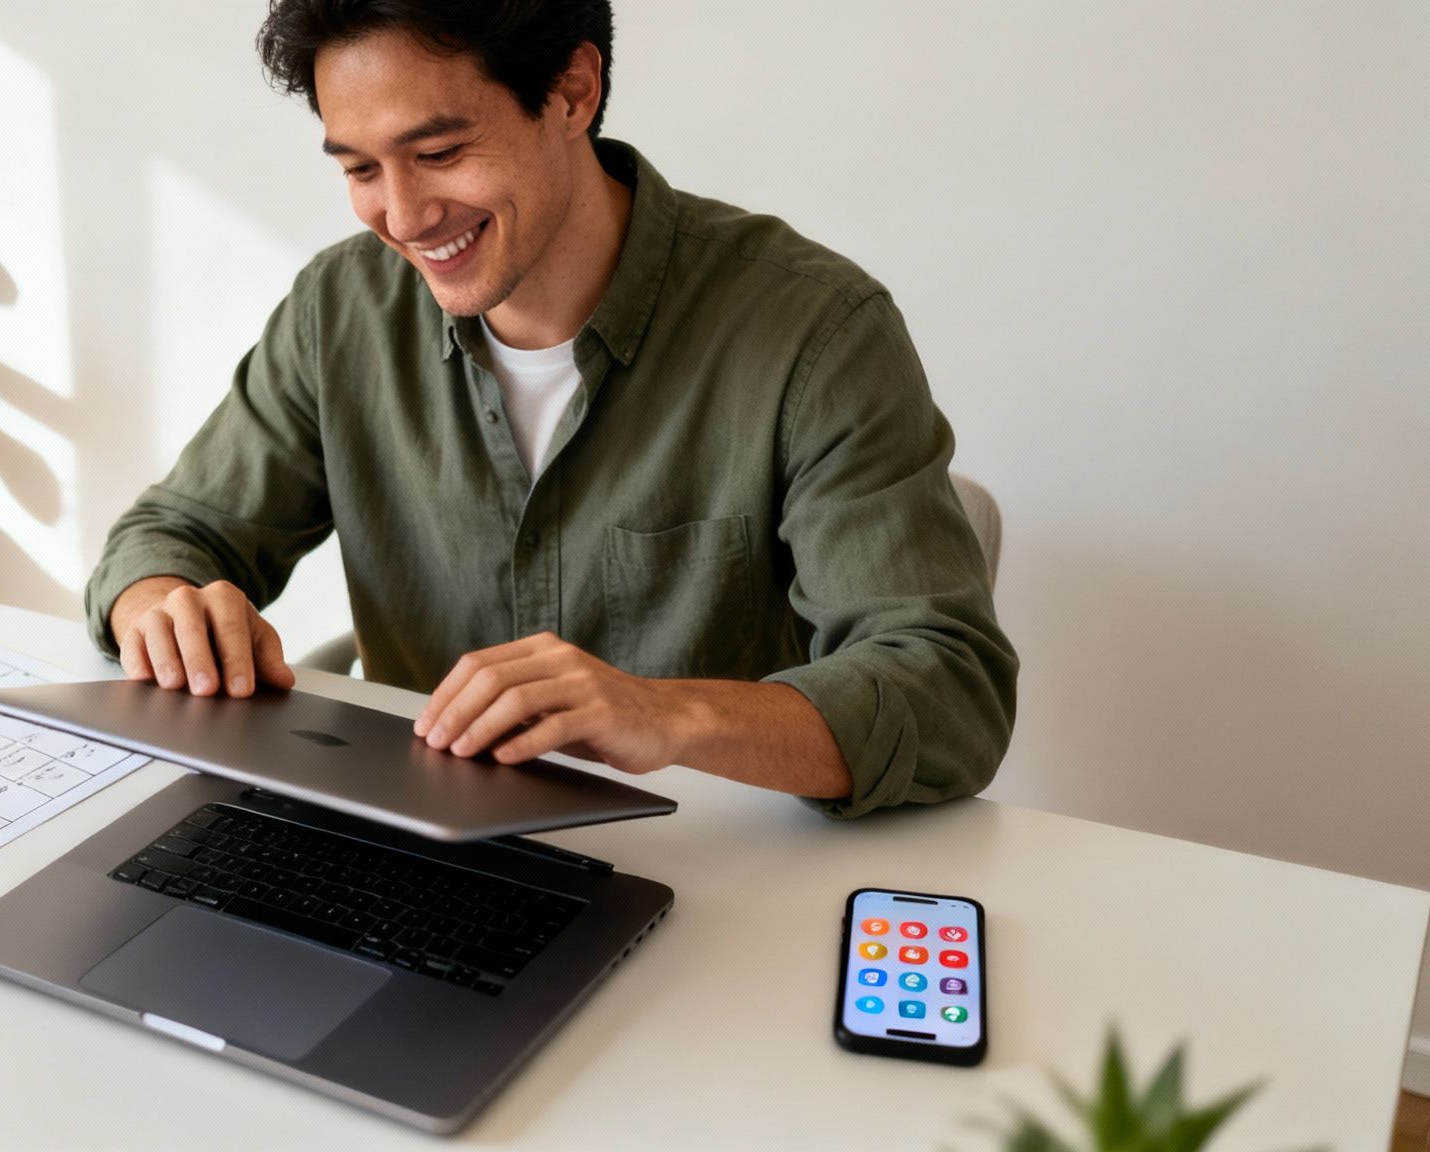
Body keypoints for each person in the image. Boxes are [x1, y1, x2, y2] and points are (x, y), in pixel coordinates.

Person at [85, 0, 1017, 817]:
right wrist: (161, 603)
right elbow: (173, 531)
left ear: (572, 90)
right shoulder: (342, 311)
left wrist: (668, 712)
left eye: (441, 152)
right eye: (361, 169)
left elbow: (946, 690)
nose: (403, 217)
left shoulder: (814, 331)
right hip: (409, 850)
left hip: (704, 866)